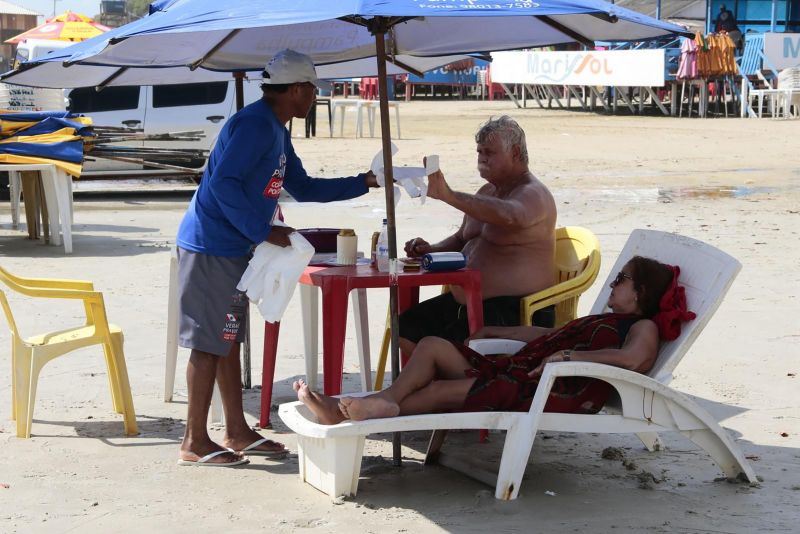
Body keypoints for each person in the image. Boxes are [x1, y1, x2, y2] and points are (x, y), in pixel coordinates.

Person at [176, 49, 379, 466]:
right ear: (297, 89)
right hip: (211, 245)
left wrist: (366, 182)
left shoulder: (276, 130)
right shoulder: (254, 126)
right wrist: (263, 229)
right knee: (208, 344)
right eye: (312, 90)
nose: (314, 98)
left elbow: (302, 187)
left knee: (226, 339)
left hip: (234, 247)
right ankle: (194, 441)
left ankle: (236, 431)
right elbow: (223, 187)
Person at [293, 256, 696, 424]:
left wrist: (570, 355)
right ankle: (371, 404)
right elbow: (547, 335)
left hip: (547, 389)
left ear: (641, 293)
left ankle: (349, 412)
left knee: (438, 391)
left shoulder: (641, 327)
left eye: (622, 279)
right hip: (522, 372)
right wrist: (497, 331)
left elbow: (634, 361)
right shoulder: (604, 320)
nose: (613, 282)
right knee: (433, 344)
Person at [399, 115, 557, 355]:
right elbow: (461, 238)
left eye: (490, 152)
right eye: (479, 151)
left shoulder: (533, 194)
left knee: (441, 348)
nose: (482, 158)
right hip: (467, 302)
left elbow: (510, 215)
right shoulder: (486, 192)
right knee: (406, 327)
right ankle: (427, 387)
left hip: (515, 308)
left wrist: (449, 196)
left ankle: (447, 389)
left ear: (515, 153)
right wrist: (430, 250)